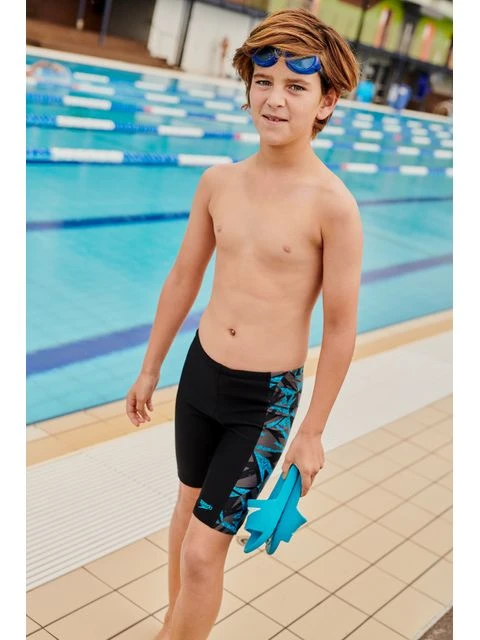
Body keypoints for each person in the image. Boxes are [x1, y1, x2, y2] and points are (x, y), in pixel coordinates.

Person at [125, 8, 362, 640]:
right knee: (184, 519)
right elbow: (183, 278)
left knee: (204, 554)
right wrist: (150, 367)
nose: (274, 99)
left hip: (264, 401)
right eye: (264, 82)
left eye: (295, 87)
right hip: (200, 376)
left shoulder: (334, 207)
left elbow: (341, 328)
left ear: (326, 102)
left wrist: (312, 432)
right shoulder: (219, 182)